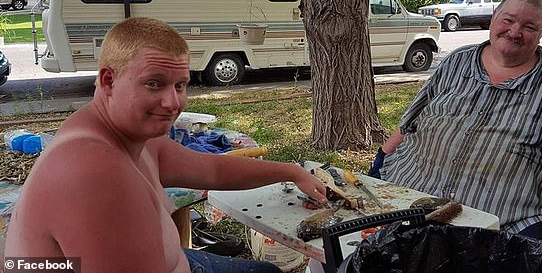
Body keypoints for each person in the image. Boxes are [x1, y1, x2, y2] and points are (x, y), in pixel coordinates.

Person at [5, 17, 327, 273]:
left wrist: (291, 171)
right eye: (153, 84)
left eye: (181, 85)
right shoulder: (94, 171)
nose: (173, 103)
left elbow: (211, 169)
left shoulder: (130, 135)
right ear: (108, 81)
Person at [369, 0, 542, 245]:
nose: (515, 32)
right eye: (508, 20)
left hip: (509, 220)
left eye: (529, 27)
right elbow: (411, 119)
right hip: (411, 198)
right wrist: (381, 160)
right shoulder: (456, 62)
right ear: (493, 18)